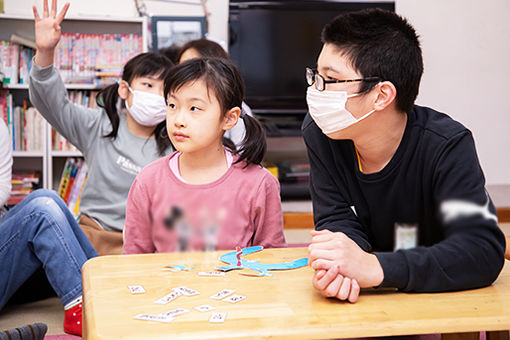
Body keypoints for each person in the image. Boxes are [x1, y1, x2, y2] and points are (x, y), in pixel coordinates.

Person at [304, 8, 506, 303]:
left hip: (438, 300)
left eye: (330, 79)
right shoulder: (322, 132)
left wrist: (375, 268)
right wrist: (339, 267)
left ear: (382, 95)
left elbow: (481, 250)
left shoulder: (446, 146)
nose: (315, 90)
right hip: (367, 302)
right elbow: (336, 218)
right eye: (315, 75)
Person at [29, 0, 174, 255]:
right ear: (124, 89)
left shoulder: (176, 142)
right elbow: (52, 104)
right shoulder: (98, 126)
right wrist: (45, 52)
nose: (155, 97)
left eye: (164, 91)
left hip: (145, 248)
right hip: (91, 239)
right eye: (148, 85)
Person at [123, 58, 286, 253]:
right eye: (173, 106)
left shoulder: (259, 183)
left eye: (194, 109)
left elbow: (274, 259)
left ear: (229, 118)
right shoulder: (148, 181)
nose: (179, 120)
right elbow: (134, 259)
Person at [176, 38, 251, 149]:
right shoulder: (170, 103)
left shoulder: (239, 111)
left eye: (197, 67)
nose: (187, 74)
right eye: (183, 66)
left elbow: (242, 157)